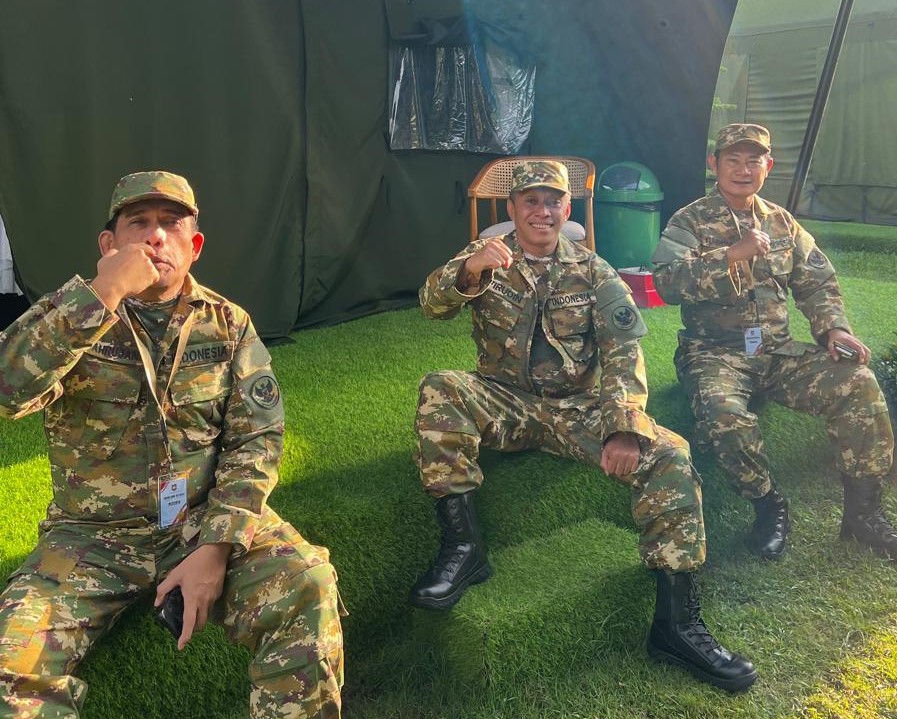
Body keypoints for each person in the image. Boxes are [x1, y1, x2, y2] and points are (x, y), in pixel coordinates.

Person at [0, 171, 344, 718]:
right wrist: (103, 295)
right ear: (109, 245)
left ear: (194, 246)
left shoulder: (227, 324)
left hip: (199, 520)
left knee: (307, 583)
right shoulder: (69, 315)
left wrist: (216, 546)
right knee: (10, 661)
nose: (156, 236)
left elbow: (256, 439)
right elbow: (7, 389)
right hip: (91, 537)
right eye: (138, 224)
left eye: (171, 225)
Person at [409, 160, 758, 692]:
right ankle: (463, 548)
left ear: (567, 208)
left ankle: (677, 625)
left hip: (578, 408)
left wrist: (623, 427)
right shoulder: (487, 256)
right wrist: (470, 270)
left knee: (670, 454)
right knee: (441, 386)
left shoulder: (594, 270)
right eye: (530, 201)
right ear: (513, 208)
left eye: (553, 201)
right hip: (506, 400)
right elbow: (431, 306)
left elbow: (624, 351)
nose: (542, 212)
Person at [652, 123, 896, 561]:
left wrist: (834, 329)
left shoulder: (782, 222)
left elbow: (817, 281)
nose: (743, 169)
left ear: (769, 165)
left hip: (775, 351)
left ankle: (863, 513)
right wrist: (730, 256)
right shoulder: (689, 220)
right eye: (733, 160)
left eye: (754, 160)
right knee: (723, 414)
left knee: (858, 382)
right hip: (715, 354)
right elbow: (667, 283)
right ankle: (769, 507)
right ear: (714, 164)